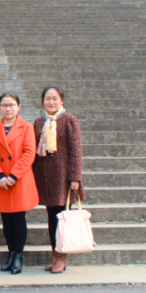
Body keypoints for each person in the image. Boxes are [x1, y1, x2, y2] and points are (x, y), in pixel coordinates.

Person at [32, 84, 85, 274]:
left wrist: (75, 177)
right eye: (47, 98)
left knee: (62, 218)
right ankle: (55, 255)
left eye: (55, 98)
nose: (51, 102)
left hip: (63, 177)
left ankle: (62, 257)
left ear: (61, 101)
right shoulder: (39, 122)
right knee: (51, 218)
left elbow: (76, 150)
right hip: (45, 177)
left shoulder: (69, 120)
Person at [0, 93, 39, 275]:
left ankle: (18, 255)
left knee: (18, 218)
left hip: (19, 179)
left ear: (18, 106)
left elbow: (29, 153)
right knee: (6, 219)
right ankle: (11, 253)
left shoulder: (26, 127)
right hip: (1, 181)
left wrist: (14, 175)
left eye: (11, 105)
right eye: (4, 105)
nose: (8, 108)